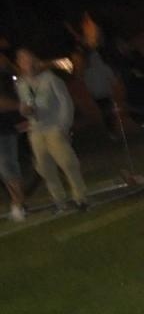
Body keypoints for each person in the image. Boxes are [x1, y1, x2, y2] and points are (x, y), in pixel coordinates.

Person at [14, 47, 90, 213]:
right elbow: (23, 105)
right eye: (21, 60)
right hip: (36, 130)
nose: (25, 63)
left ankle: (80, 198)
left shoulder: (50, 79)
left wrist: (63, 125)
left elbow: (65, 103)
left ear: (34, 60)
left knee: (68, 164)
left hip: (54, 127)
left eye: (28, 59)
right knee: (46, 169)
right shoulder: (21, 83)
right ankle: (59, 201)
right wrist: (24, 111)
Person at [1, 55, 30, 220]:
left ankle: (19, 203)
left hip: (4, 127)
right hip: (7, 124)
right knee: (5, 167)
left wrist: (20, 111)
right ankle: (17, 201)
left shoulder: (7, 76)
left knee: (7, 165)